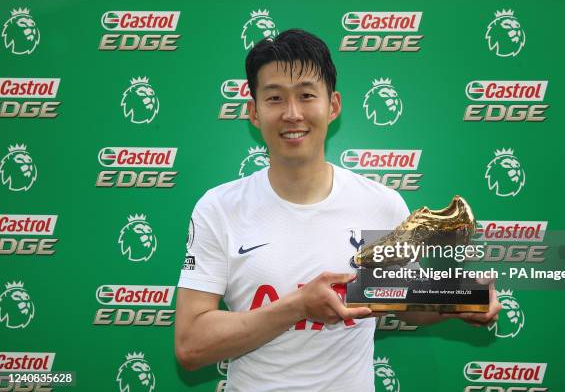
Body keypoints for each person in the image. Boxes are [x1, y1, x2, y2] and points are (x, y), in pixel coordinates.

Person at [175, 29, 501, 392]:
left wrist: (456, 299)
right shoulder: (219, 208)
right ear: (254, 112)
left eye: (306, 95)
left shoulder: (381, 204)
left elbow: (407, 300)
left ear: (333, 106)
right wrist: (298, 306)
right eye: (275, 98)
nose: (292, 113)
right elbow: (190, 344)